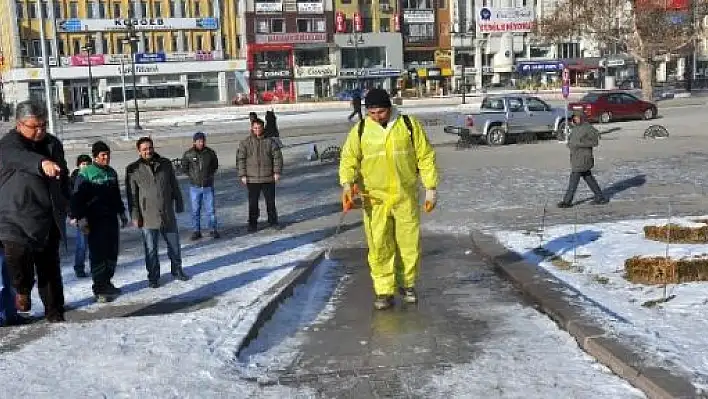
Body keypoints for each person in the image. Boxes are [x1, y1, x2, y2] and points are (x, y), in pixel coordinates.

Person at [339, 88, 439, 310]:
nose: (376, 117)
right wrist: (347, 185)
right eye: (372, 113)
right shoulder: (361, 130)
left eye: (381, 112)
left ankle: (408, 284)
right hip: (374, 199)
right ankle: (384, 290)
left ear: (389, 107)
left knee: (408, 243)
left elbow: (425, 156)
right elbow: (348, 159)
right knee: (379, 245)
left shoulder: (408, 125)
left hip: (405, 196)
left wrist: (430, 188)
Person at [0, 100, 70, 322]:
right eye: (34, 126)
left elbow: (64, 176)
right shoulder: (9, 143)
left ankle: (55, 311)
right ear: (19, 124)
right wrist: (42, 164)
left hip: (47, 217)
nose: (40, 130)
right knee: (18, 256)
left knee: (50, 268)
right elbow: (18, 157)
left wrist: (67, 201)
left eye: (43, 125)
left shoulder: (53, 144)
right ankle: (21, 290)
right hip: (14, 217)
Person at [126, 137, 189, 288]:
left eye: (150, 148)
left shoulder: (165, 164)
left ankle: (177, 269)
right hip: (147, 216)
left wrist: (179, 202)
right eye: (144, 149)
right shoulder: (133, 169)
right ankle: (153, 276)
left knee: (174, 245)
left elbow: (174, 184)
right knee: (151, 249)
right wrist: (135, 216)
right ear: (139, 151)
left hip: (166, 212)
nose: (148, 151)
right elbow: (132, 196)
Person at [71, 141, 128, 302]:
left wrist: (122, 213)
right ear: (95, 156)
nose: (106, 157)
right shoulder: (86, 173)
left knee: (112, 252)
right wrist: (81, 219)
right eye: (103, 155)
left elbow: (116, 195)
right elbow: (77, 198)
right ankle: (99, 288)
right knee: (98, 254)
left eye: (108, 154)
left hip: (110, 219)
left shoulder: (111, 173)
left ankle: (107, 282)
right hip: (94, 221)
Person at [237, 118, 283, 232]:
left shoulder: (270, 142)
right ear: (252, 128)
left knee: (270, 202)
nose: (257, 130)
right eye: (255, 128)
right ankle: (252, 224)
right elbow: (240, 159)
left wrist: (277, 172)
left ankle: (273, 222)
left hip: (268, 177)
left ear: (263, 128)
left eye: (259, 127)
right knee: (253, 203)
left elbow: (277, 158)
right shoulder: (245, 143)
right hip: (252, 179)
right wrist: (242, 175)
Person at [557, 111, 609, 208]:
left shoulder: (588, 128)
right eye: (574, 117)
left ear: (582, 117)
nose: (575, 119)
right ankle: (600, 197)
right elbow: (573, 140)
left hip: (584, 158)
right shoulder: (575, 128)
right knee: (588, 178)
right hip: (576, 157)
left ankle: (567, 201)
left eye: (577, 117)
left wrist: (579, 144)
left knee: (574, 179)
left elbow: (595, 142)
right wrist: (569, 143)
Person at [181, 131, 220, 240]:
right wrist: (192, 177)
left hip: (208, 186)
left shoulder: (210, 153)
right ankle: (196, 231)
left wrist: (209, 175)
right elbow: (184, 168)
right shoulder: (188, 154)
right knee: (195, 210)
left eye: (202, 141)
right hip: (195, 187)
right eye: (198, 141)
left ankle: (212, 229)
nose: (201, 143)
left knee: (210, 210)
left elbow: (215, 166)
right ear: (194, 142)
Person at [69, 154, 92, 278]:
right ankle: (79, 267)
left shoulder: (93, 176)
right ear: (78, 165)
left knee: (94, 244)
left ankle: (96, 266)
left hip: (93, 214)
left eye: (88, 164)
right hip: (81, 216)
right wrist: (72, 216)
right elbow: (71, 199)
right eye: (83, 164)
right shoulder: (73, 179)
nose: (86, 166)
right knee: (82, 245)